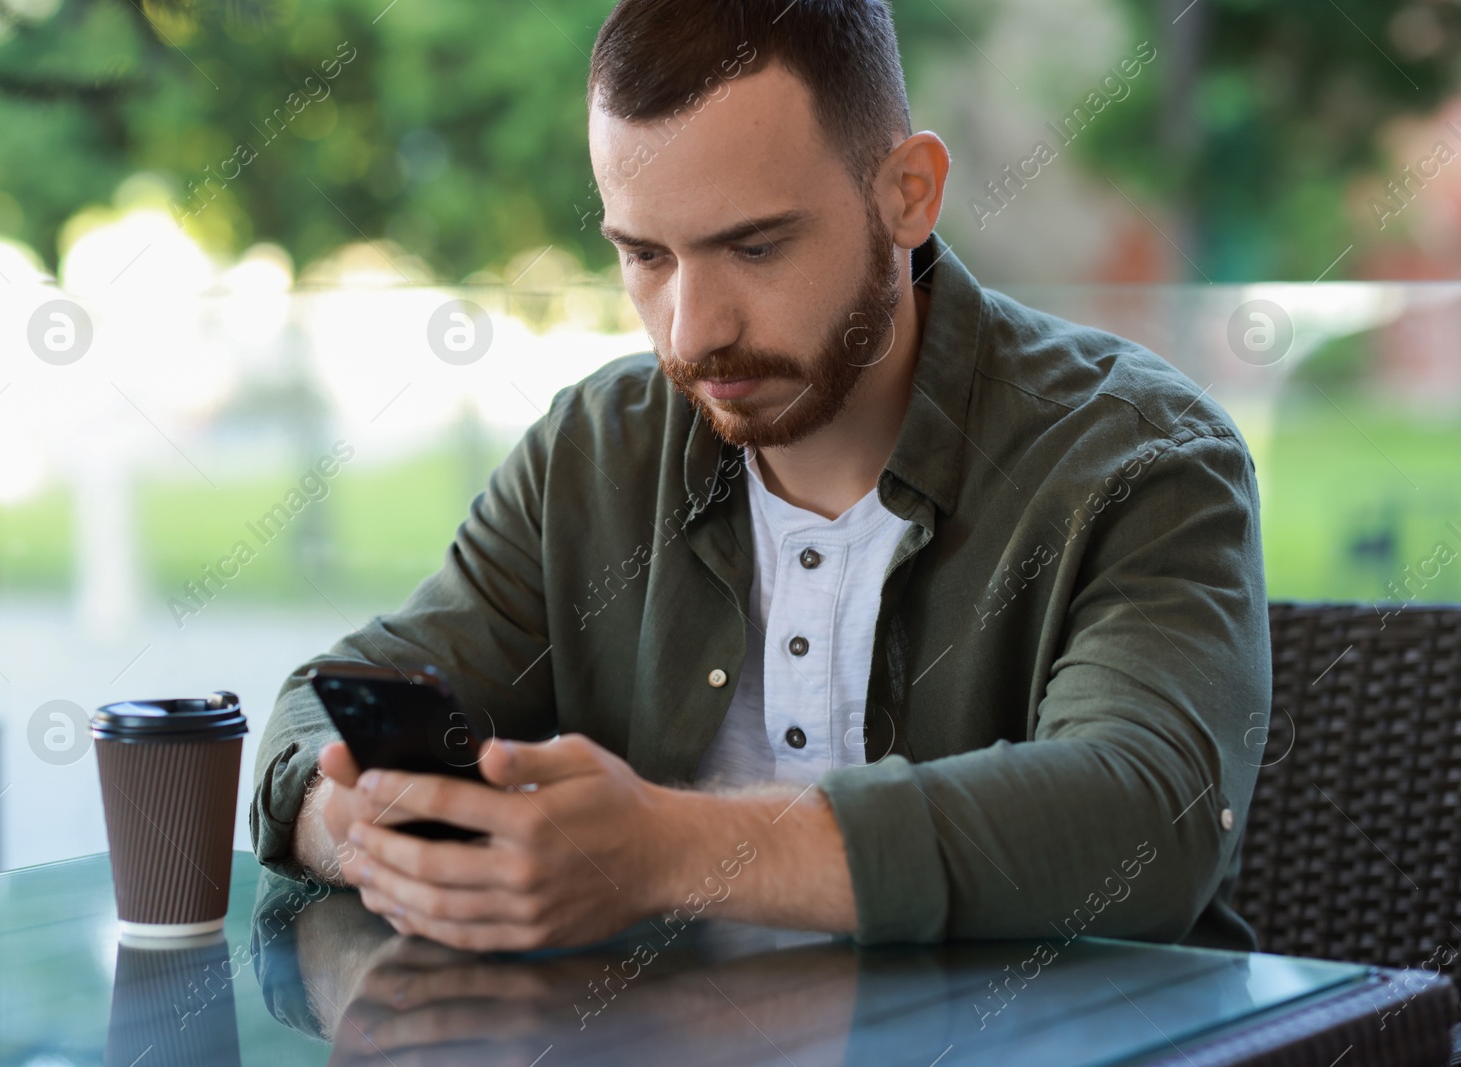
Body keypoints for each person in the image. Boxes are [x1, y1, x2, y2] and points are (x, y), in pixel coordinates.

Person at [251, 0, 1269, 954]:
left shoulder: (1138, 458)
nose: (693, 332)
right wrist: (372, 831)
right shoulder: (595, 453)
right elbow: (321, 712)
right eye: (645, 256)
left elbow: (1148, 815)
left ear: (907, 192)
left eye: (755, 244)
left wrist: (664, 849)